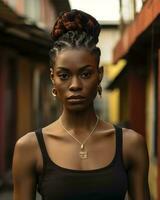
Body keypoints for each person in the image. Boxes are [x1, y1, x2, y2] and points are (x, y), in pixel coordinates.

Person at [12, 9, 150, 200]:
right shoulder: (29, 148)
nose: (75, 86)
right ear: (53, 78)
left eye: (85, 74)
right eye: (64, 75)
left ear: (99, 75)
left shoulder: (130, 145)